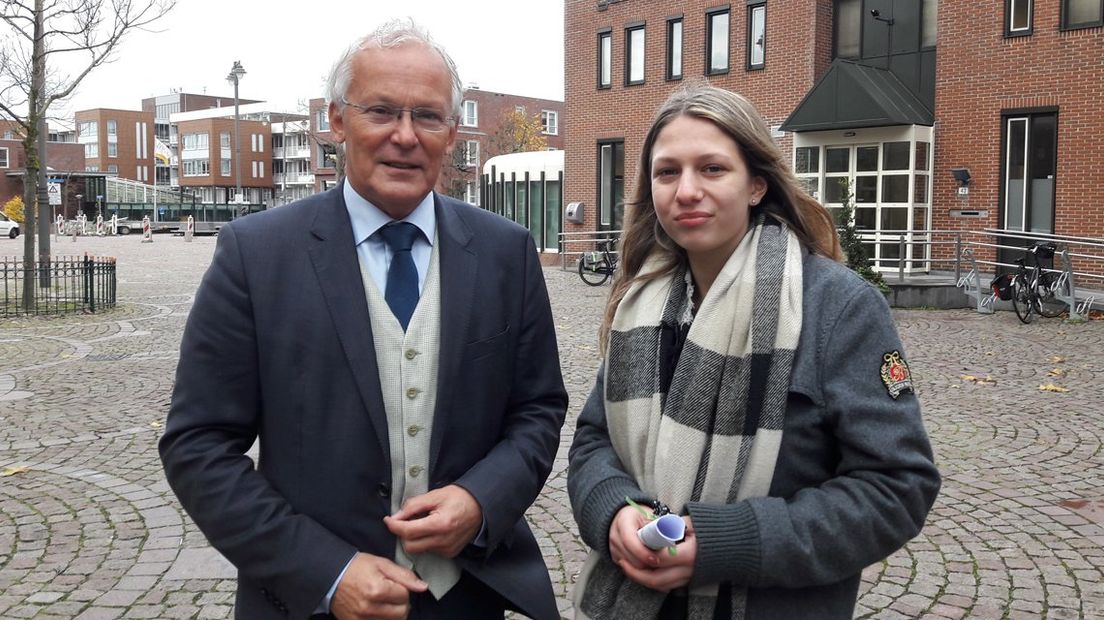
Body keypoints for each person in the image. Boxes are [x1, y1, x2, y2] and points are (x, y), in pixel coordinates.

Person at [160, 18, 567, 620]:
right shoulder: (256, 254)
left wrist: (482, 501)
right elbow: (197, 445)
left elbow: (537, 409)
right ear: (336, 121)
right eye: (381, 111)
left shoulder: (506, 252)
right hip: (311, 604)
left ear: (452, 133)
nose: (405, 136)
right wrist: (326, 570)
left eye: (427, 116)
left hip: (467, 598)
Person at [567, 85, 940, 620]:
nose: (686, 190)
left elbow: (897, 489)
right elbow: (593, 441)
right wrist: (611, 512)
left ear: (757, 185)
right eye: (667, 172)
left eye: (713, 169)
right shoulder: (640, 305)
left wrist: (726, 545)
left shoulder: (837, 306)